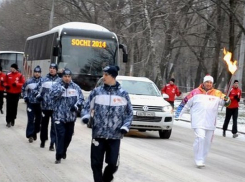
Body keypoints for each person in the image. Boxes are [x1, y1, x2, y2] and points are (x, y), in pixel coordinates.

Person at [81, 65, 133, 182]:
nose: (103, 77)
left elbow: (129, 113)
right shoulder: (97, 92)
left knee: (113, 164)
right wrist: (86, 116)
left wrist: (125, 126)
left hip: (115, 135)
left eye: (106, 75)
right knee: (96, 163)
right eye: (103, 74)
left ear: (113, 76)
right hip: (98, 134)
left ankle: (106, 178)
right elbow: (86, 107)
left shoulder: (123, 94)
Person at [175, 75, 230, 168]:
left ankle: (202, 159)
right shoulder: (195, 92)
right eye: (207, 82)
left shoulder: (218, 93)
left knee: (207, 142)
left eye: (210, 82)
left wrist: (227, 100)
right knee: (200, 138)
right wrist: (178, 114)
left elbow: (226, 104)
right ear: (203, 82)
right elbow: (185, 103)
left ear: (212, 84)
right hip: (198, 121)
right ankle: (198, 160)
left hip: (211, 122)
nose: (209, 84)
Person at [49, 68, 84, 164]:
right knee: (61, 135)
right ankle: (58, 156)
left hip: (70, 117)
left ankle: (64, 150)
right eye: (65, 76)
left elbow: (81, 99)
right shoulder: (56, 85)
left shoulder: (76, 87)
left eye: (69, 76)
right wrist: (63, 88)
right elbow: (52, 96)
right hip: (58, 116)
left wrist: (76, 106)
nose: (67, 78)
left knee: (68, 137)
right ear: (62, 76)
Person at [36, 63, 61, 150]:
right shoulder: (43, 80)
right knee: (44, 125)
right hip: (45, 106)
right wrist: (38, 96)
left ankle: (52, 143)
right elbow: (38, 90)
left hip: (55, 108)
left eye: (54, 68)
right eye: (50, 68)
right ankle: (43, 140)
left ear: (56, 70)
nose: (52, 69)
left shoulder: (60, 81)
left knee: (54, 126)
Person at [22, 66, 43, 143]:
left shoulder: (43, 81)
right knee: (31, 119)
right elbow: (24, 90)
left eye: (38, 72)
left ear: (40, 73)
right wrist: (25, 97)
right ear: (33, 72)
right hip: (30, 103)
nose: (37, 74)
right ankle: (30, 135)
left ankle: (35, 132)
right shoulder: (29, 81)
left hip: (39, 104)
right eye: (36, 72)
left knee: (38, 120)